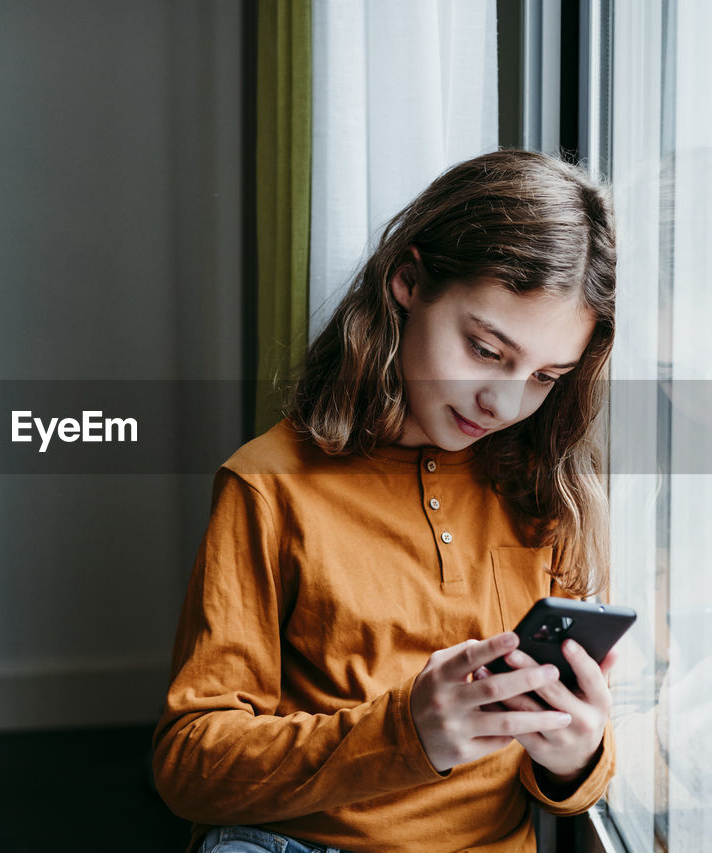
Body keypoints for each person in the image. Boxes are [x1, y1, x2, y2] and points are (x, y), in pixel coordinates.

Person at [152, 149, 619, 853]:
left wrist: (576, 753)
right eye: (486, 350)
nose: (502, 402)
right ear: (408, 280)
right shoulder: (267, 485)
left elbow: (574, 774)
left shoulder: (552, 498)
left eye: (545, 375)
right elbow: (191, 765)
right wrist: (406, 732)